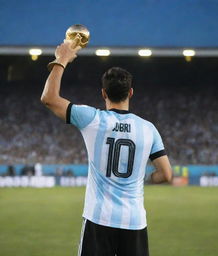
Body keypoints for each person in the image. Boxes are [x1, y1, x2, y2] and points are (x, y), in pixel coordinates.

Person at [41, 41, 172, 256]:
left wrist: (62, 60)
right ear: (131, 92)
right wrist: (144, 179)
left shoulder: (92, 119)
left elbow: (49, 99)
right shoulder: (148, 129)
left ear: (103, 93)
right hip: (134, 222)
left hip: (98, 219)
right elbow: (166, 174)